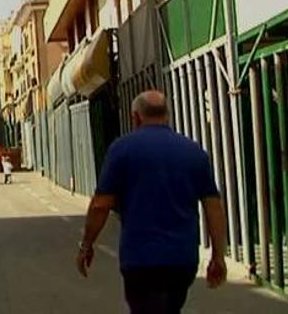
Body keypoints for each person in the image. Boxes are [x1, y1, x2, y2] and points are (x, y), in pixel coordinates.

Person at [76, 91, 228, 313]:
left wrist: (86, 245)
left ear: (135, 117)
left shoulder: (122, 150)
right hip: (182, 260)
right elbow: (214, 209)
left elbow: (100, 205)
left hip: (140, 260)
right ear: (167, 115)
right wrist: (218, 256)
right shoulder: (194, 152)